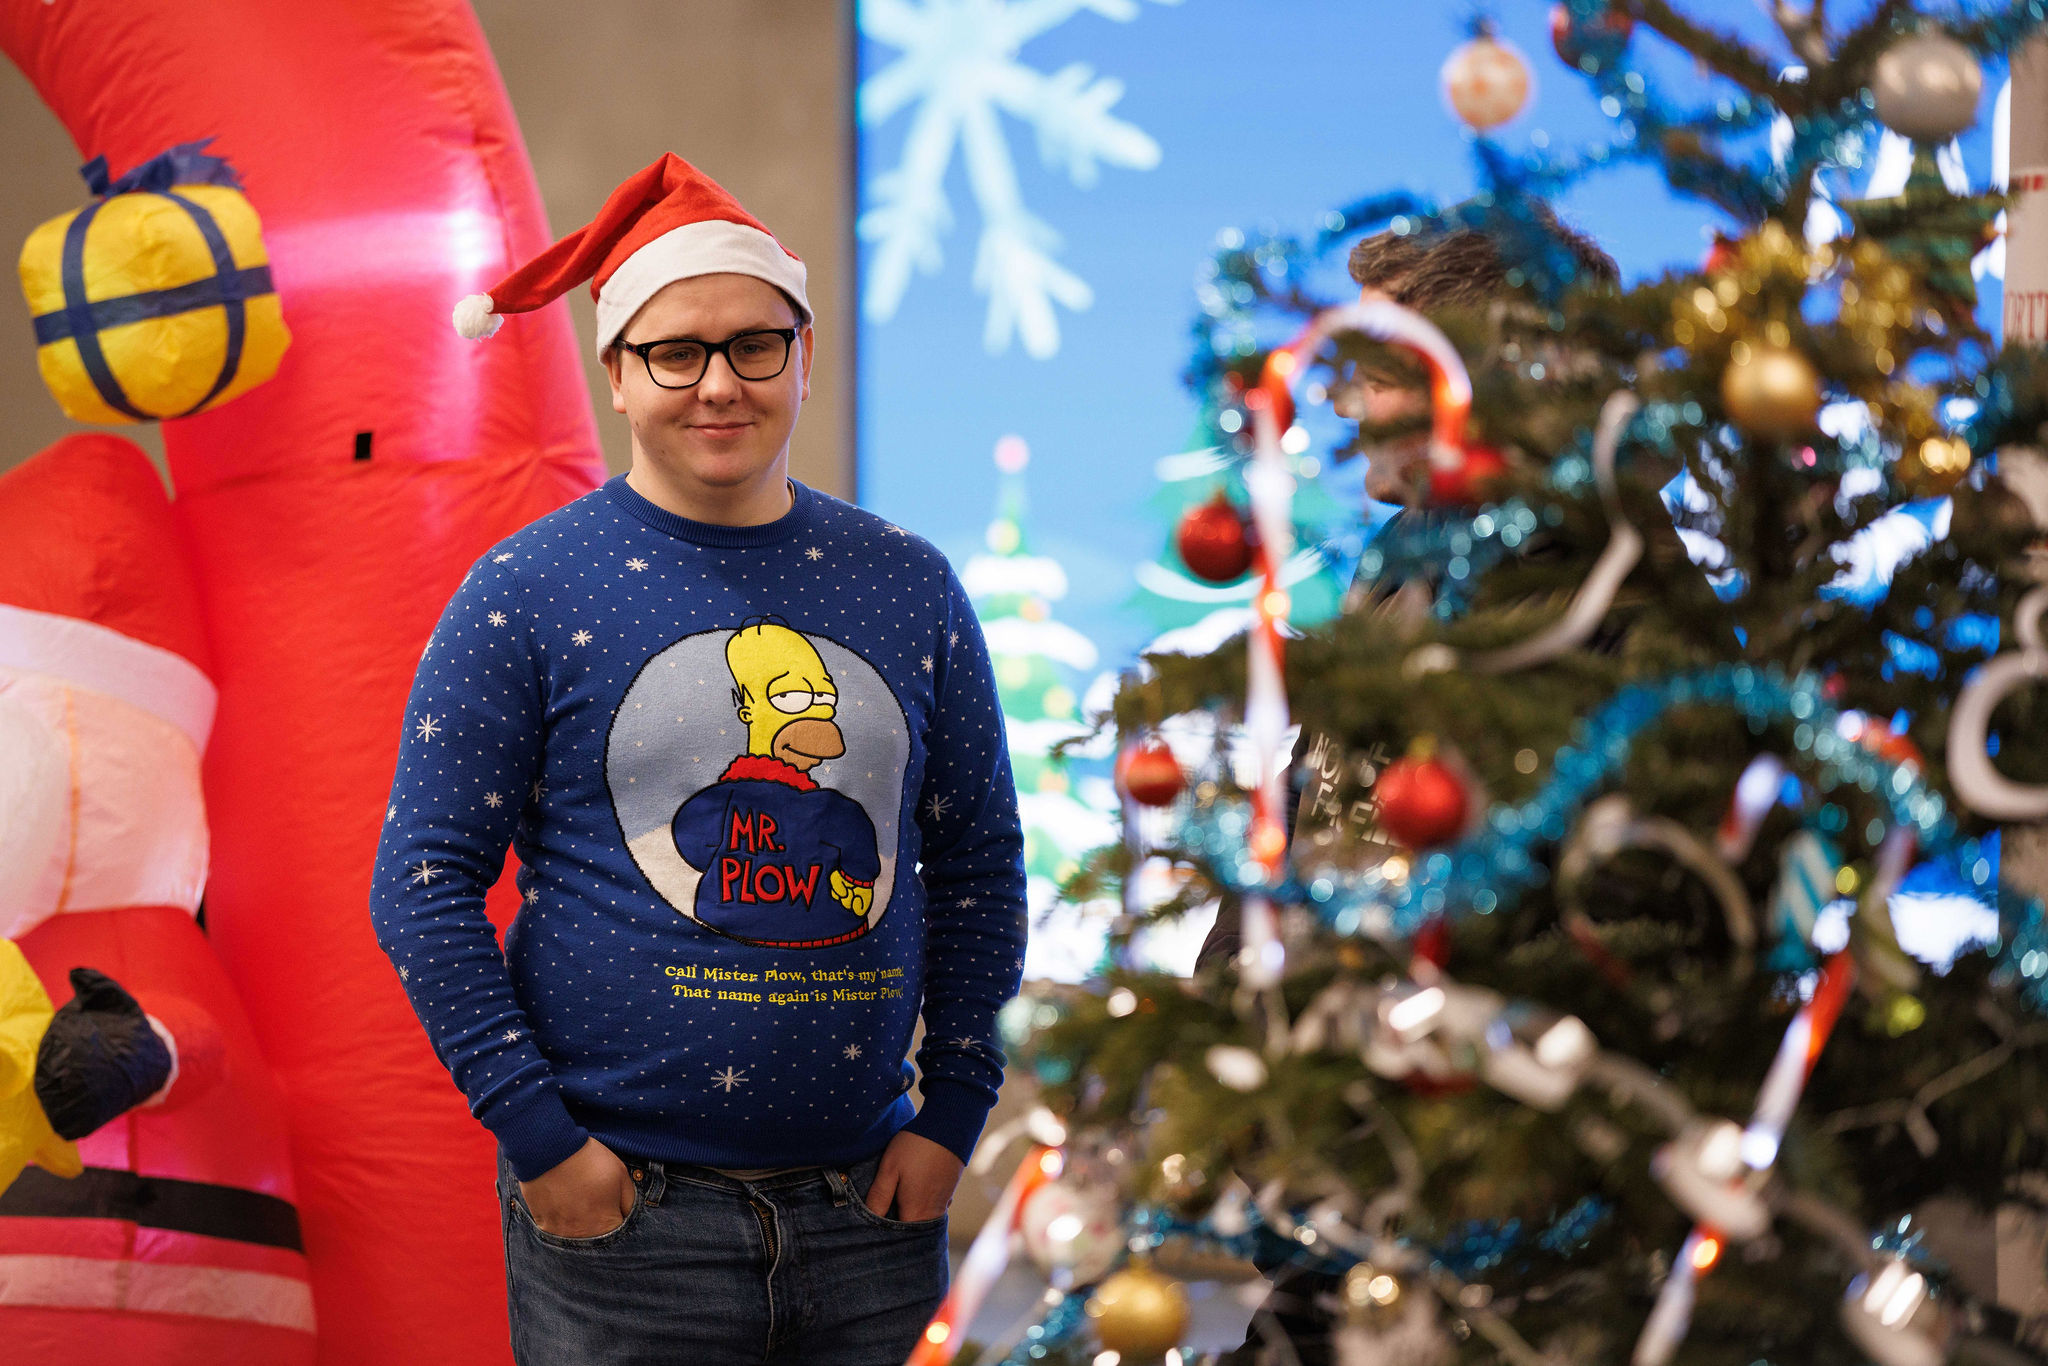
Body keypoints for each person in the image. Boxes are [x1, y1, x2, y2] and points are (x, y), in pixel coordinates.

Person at [370, 153, 1028, 1365]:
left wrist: (954, 1111)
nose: (719, 382)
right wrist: (541, 1140)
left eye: (753, 345)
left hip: (872, 1215)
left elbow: (979, 864)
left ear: (803, 357)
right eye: (676, 352)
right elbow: (420, 882)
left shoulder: (907, 583)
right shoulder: (524, 589)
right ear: (618, 372)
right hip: (623, 1225)